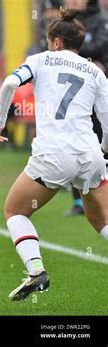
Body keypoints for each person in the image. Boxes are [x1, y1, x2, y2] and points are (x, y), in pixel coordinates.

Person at [0, 8, 108, 301]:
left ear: (55, 41)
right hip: (90, 153)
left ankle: (36, 272)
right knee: (102, 220)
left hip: (53, 155)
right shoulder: (95, 70)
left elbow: (9, 83)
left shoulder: (40, 60)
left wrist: (0, 122)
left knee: (15, 211)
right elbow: (106, 116)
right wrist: (103, 149)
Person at [64, 0, 108, 216]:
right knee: (74, 141)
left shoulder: (101, 20)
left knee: (100, 142)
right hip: (77, 94)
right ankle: (78, 201)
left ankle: (100, 198)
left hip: (98, 88)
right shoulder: (67, 21)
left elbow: (100, 47)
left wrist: (74, 52)